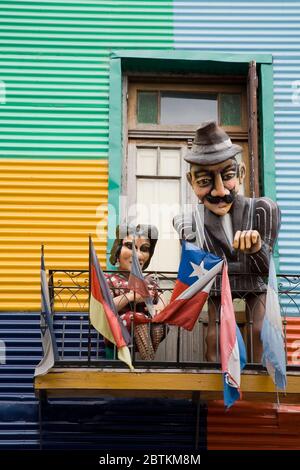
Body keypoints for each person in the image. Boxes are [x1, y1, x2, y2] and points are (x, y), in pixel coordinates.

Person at [173, 121, 281, 363]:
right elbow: (199, 273)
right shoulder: (188, 223)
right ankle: (219, 382)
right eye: (204, 182)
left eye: (228, 176)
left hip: (255, 286)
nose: (220, 191)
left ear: (241, 174)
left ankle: (257, 381)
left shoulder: (263, 210)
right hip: (217, 289)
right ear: (191, 182)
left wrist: (256, 249)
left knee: (258, 330)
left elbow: (265, 269)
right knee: (216, 335)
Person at [105, 223, 166, 361]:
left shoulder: (149, 280)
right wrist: (131, 296)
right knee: (135, 317)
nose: (137, 255)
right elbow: (105, 307)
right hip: (115, 330)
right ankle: (148, 363)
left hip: (147, 326)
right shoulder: (109, 278)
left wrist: (158, 309)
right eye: (130, 246)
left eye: (144, 249)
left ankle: (148, 360)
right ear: (118, 250)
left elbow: (163, 301)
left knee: (158, 322)